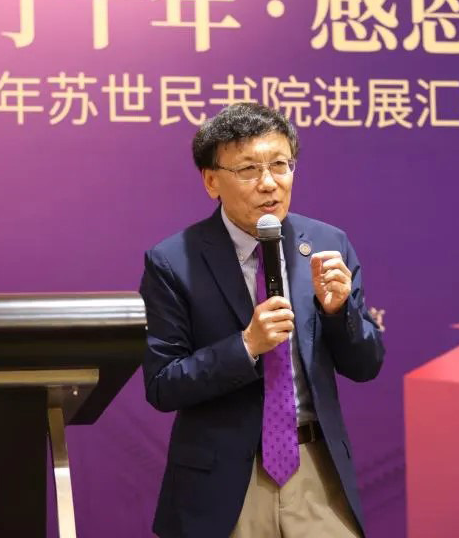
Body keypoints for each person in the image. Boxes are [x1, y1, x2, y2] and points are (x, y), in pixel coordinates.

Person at [140, 102, 385, 537]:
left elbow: (366, 365)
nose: (269, 183)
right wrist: (246, 346)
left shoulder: (327, 244)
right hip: (224, 483)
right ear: (211, 181)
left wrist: (338, 312)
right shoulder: (173, 261)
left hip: (316, 474)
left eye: (280, 165)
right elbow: (163, 384)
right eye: (249, 169)